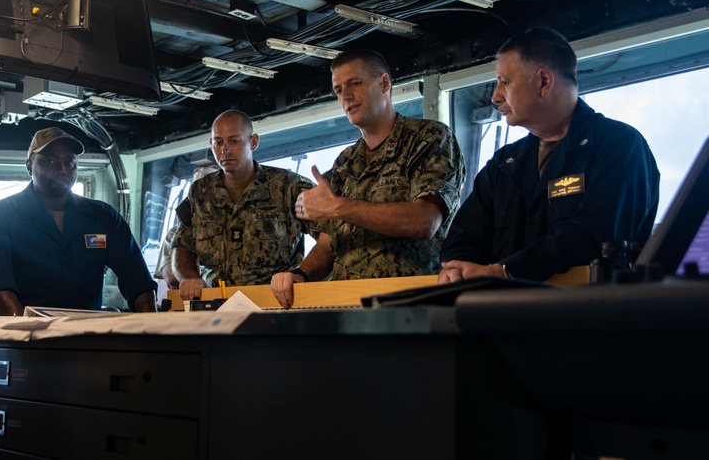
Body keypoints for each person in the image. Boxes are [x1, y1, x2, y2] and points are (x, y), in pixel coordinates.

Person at [438, 27, 660, 283]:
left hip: (591, 313)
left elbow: (593, 236)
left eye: (504, 82)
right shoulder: (504, 164)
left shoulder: (618, 145)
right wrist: (458, 269)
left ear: (544, 82)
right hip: (505, 315)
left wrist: (504, 272)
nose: (495, 96)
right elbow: (461, 237)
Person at [271, 49, 465, 308]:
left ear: (384, 83)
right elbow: (329, 242)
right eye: (338, 89)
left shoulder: (428, 139)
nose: (346, 96)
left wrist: (339, 207)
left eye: (355, 83)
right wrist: (300, 275)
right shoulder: (345, 162)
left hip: (414, 307)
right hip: (349, 307)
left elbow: (424, 221)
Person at [0, 127, 157, 315]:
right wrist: (26, 331)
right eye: (49, 161)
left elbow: (137, 279)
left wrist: (152, 331)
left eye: (69, 162)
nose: (61, 169)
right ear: (29, 167)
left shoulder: (102, 217)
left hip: (86, 338)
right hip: (21, 338)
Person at [172, 110, 313, 300]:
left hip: (276, 306)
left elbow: (330, 237)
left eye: (234, 141)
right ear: (211, 144)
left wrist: (301, 275)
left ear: (253, 141)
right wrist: (190, 278)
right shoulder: (200, 193)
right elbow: (182, 246)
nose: (225, 150)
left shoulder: (288, 187)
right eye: (218, 142)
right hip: (217, 308)